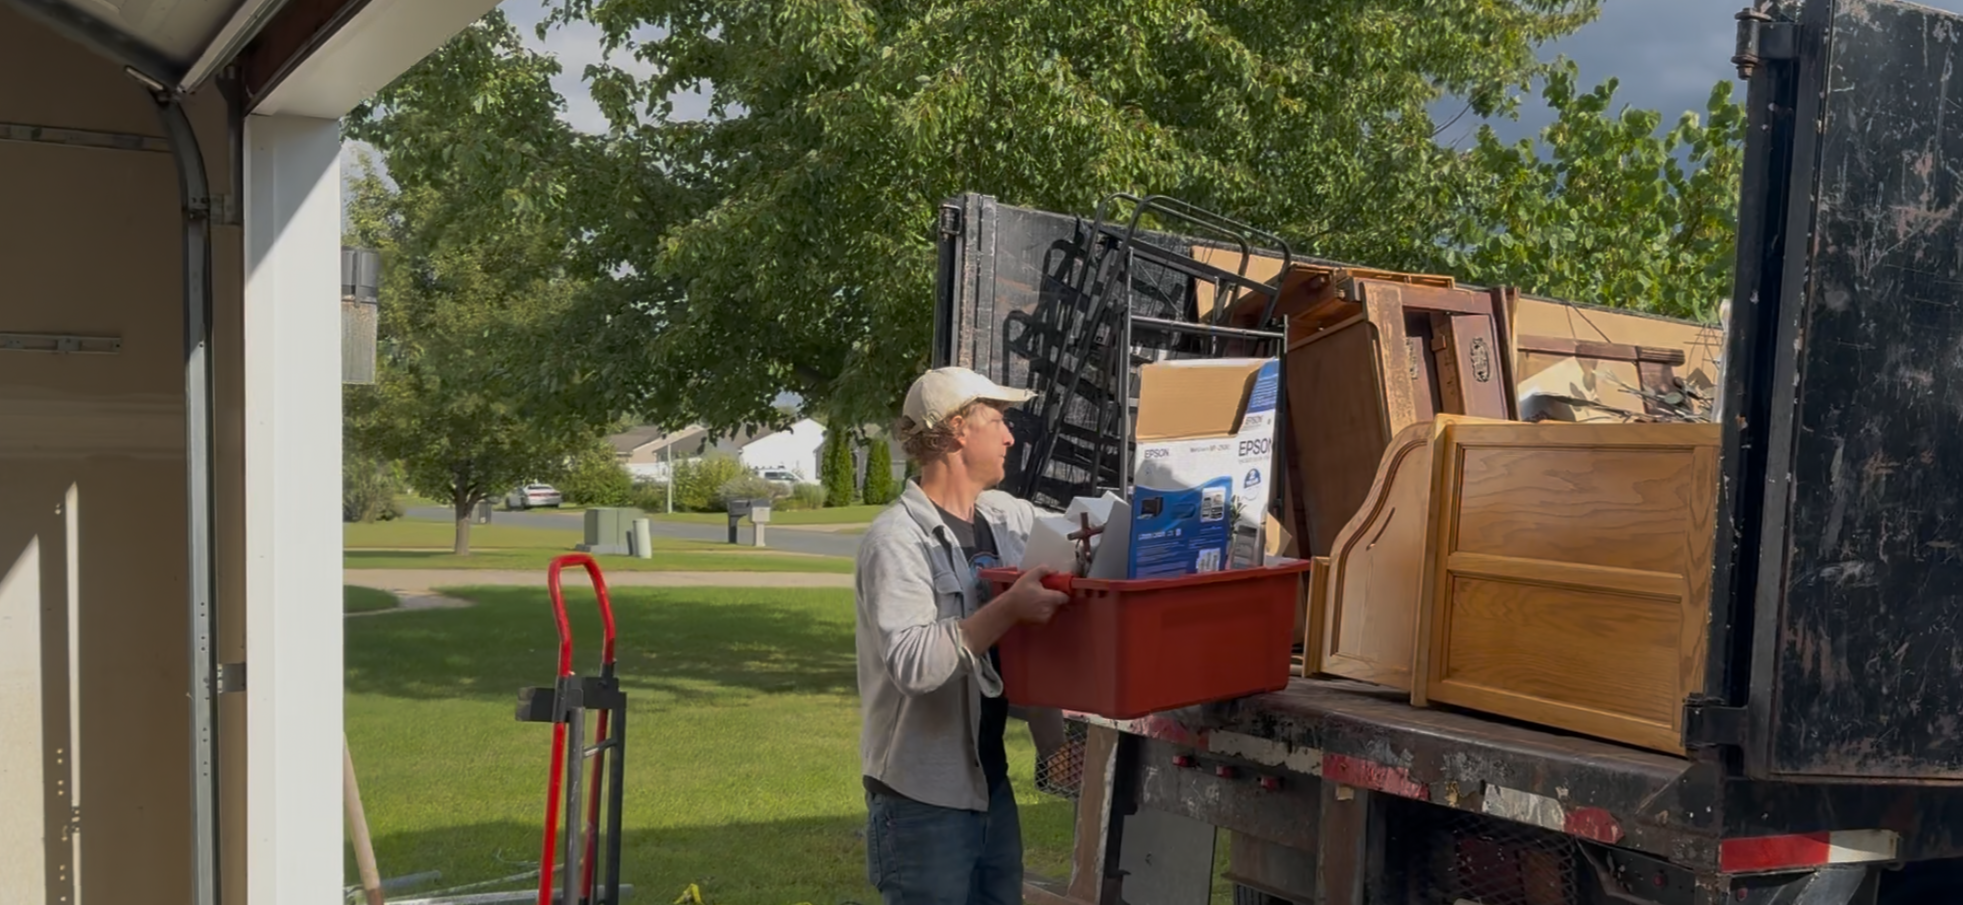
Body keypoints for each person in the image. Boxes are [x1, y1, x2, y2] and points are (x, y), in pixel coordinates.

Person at [855, 365, 1073, 905]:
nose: (1010, 436)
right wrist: (1009, 609)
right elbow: (913, 664)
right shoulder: (896, 541)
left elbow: (1080, 530)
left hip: (988, 783)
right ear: (957, 429)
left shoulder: (1003, 519)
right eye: (997, 420)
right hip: (920, 799)